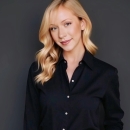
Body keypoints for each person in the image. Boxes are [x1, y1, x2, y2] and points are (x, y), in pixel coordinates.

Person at [23, 0, 124, 130]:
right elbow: (30, 123)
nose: (61, 34)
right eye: (54, 28)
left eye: (67, 24)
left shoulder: (106, 74)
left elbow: (114, 124)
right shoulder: (38, 71)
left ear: (82, 23)